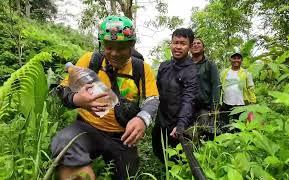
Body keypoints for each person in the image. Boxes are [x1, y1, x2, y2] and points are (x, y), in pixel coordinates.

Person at [51, 16, 159, 180]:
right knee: (65, 143)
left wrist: (142, 119)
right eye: (108, 47)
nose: (114, 53)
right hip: (87, 127)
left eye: (121, 48)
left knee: (128, 175)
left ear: (131, 45)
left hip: (122, 136)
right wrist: (77, 100)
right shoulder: (90, 60)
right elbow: (64, 89)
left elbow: (152, 99)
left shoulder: (142, 69)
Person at [152, 28, 198, 162]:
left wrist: (181, 124)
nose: (178, 47)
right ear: (170, 44)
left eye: (182, 43)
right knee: (159, 151)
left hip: (178, 122)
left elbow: (189, 99)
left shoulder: (191, 71)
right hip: (161, 120)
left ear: (189, 47)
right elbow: (156, 92)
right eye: (175, 42)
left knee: (177, 158)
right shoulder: (164, 66)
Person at [190, 38, 220, 139]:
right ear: (190, 48)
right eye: (193, 43)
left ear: (203, 48)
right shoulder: (186, 64)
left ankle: (202, 154)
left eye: (199, 43)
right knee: (188, 133)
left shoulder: (210, 64)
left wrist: (214, 107)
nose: (196, 45)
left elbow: (216, 85)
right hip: (188, 106)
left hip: (204, 107)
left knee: (203, 133)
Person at [220, 52, 256, 132]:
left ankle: (238, 140)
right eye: (234, 58)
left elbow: (251, 87)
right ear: (230, 60)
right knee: (224, 124)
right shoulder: (224, 72)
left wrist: (253, 102)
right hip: (226, 103)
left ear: (241, 60)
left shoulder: (246, 73)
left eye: (238, 58)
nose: (236, 60)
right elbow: (219, 85)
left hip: (241, 104)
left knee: (239, 125)